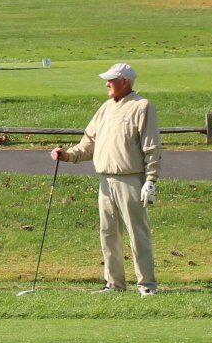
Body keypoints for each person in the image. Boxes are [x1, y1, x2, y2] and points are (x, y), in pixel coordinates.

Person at [50, 61, 161, 294]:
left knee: (137, 233)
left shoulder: (142, 106)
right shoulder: (105, 108)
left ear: (125, 82)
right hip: (105, 181)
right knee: (108, 234)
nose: (107, 84)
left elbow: (151, 147)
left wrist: (151, 180)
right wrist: (68, 155)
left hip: (131, 179)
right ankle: (114, 283)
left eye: (111, 80)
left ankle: (146, 285)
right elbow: (88, 143)